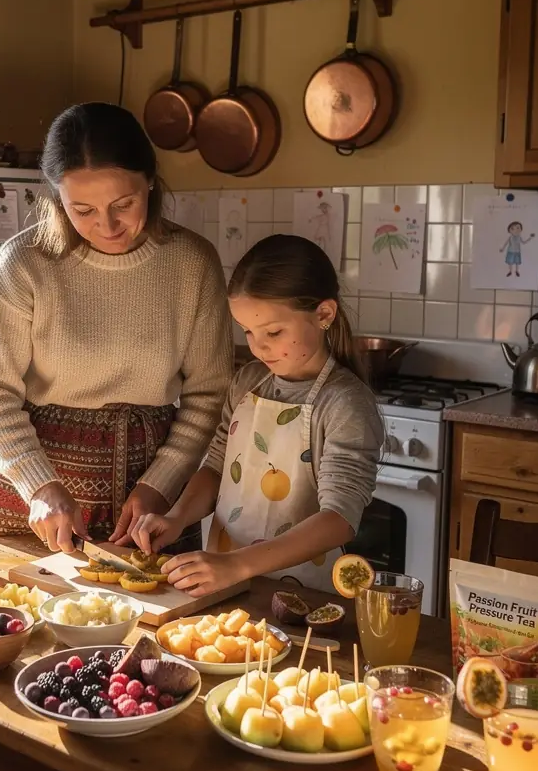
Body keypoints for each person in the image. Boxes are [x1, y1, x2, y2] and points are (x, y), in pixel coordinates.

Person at [0, 102, 233, 771]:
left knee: (135, 659)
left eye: (124, 204)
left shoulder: (190, 262)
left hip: (146, 465)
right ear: (54, 197)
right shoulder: (23, 264)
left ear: (152, 186)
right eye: (83, 207)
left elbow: (207, 393)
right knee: (23, 660)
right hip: (35, 466)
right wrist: (40, 487)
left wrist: (160, 484)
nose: (108, 223)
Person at [121, 234, 382, 598]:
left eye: (274, 332)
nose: (258, 347)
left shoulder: (345, 404)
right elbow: (216, 466)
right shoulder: (249, 381)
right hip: (225, 578)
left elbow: (338, 520)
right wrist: (177, 517)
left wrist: (239, 564)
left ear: (324, 314)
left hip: (299, 594)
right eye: (247, 331)